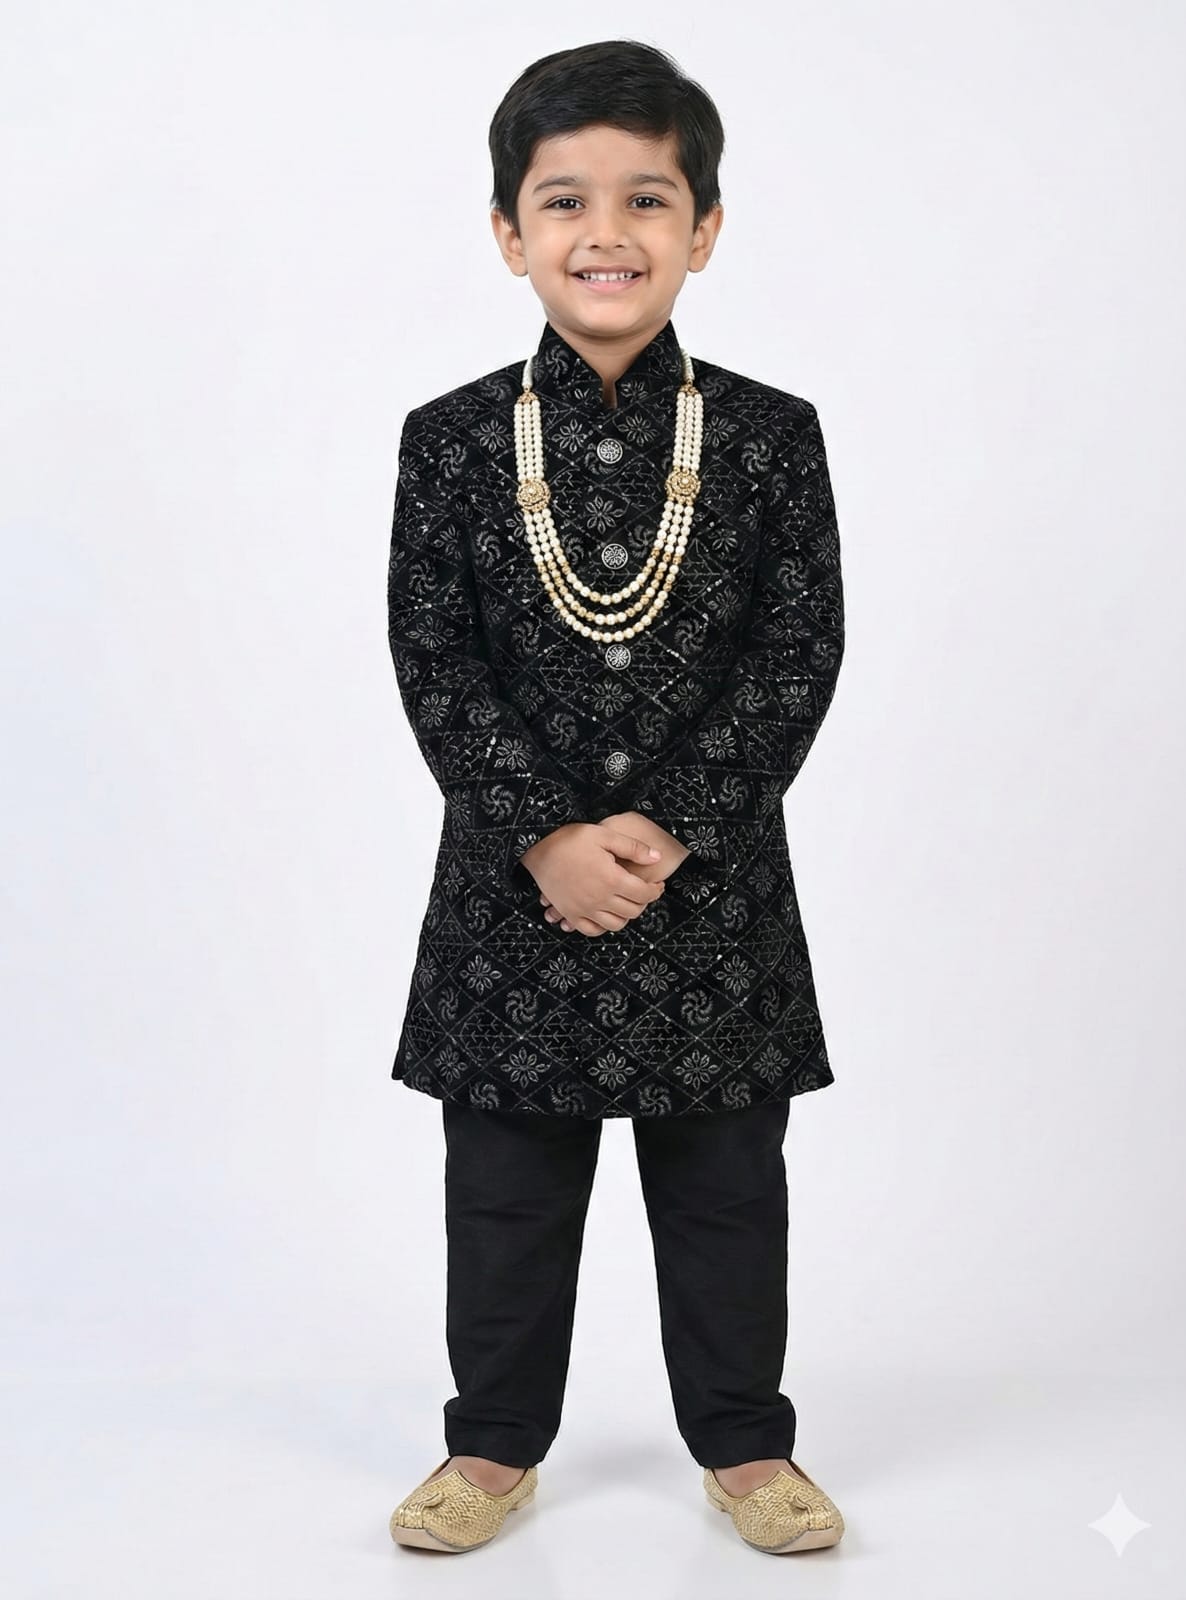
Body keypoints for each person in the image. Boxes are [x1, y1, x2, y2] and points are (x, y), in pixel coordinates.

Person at [385, 39, 848, 1557]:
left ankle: (744, 1449)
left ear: (701, 228)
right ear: (508, 232)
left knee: (724, 1193)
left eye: (646, 199)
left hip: (708, 891)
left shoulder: (768, 437)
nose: (606, 233)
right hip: (511, 895)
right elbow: (432, 654)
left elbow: (797, 652)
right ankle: (493, 1450)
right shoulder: (451, 441)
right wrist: (545, 835)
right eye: (564, 200)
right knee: (505, 1198)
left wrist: (662, 831)